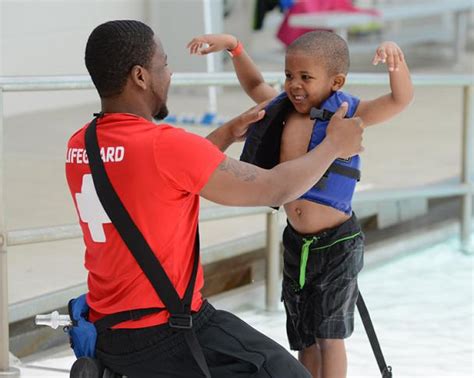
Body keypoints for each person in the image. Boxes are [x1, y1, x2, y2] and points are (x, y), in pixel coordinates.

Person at [65, 20, 364, 378]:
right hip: (169, 330)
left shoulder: (81, 144)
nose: (170, 72)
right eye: (163, 64)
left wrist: (225, 133)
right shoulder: (167, 145)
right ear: (140, 77)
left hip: (108, 335)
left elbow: (159, 177)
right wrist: (334, 145)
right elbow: (274, 187)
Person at [187, 31, 413, 378]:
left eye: (306, 77)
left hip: (336, 242)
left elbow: (400, 100)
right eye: (290, 75)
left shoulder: (349, 114)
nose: (294, 85)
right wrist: (235, 47)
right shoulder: (283, 110)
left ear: (336, 81)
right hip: (296, 242)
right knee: (304, 335)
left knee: (329, 334)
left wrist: (396, 60)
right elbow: (254, 84)